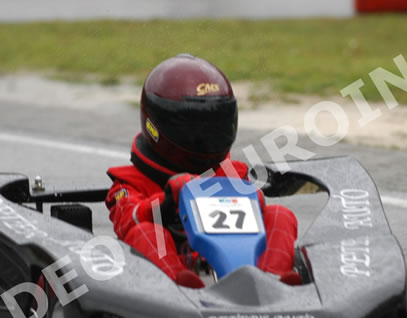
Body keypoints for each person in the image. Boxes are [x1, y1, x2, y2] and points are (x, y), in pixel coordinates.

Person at [105, 54, 301, 289]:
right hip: (172, 272)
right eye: (194, 129)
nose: (206, 137)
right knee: (144, 231)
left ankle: (273, 280)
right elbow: (127, 219)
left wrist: (251, 198)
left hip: (239, 264)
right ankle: (181, 284)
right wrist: (166, 202)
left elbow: (255, 208)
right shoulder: (130, 181)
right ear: (155, 125)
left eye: (214, 126)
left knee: (280, 214)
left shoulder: (230, 172)